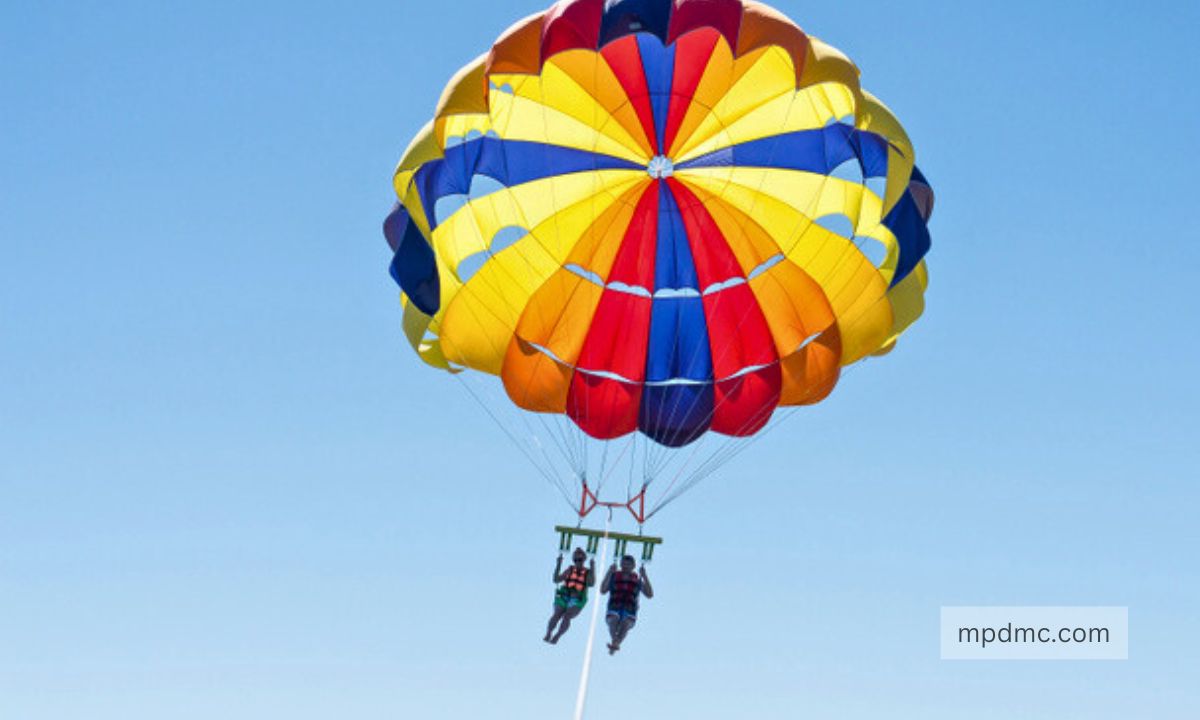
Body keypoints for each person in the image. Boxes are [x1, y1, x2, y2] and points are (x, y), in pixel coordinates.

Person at [600, 555, 653, 654]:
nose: (625, 566)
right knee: (613, 620)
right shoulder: (614, 576)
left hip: (630, 609)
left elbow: (649, 594)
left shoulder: (637, 580)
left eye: (628, 564)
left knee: (626, 623)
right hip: (614, 606)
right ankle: (614, 640)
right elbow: (602, 590)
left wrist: (644, 575)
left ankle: (616, 643)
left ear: (633, 566)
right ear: (620, 564)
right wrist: (609, 572)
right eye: (623, 563)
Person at [544, 547, 595, 644]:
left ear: (584, 560)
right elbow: (556, 580)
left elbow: (591, 583)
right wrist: (558, 564)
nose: (578, 562)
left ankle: (558, 635)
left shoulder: (587, 572)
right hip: (564, 595)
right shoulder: (570, 570)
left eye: (580, 560)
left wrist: (593, 567)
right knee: (557, 614)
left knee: (567, 616)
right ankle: (549, 633)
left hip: (577, 598)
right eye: (575, 560)